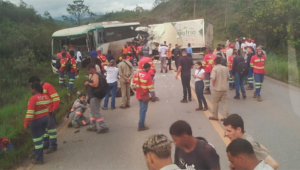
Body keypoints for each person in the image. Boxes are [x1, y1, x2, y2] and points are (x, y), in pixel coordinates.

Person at [28, 76, 60, 154]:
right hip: (43, 113)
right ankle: (47, 143)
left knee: (51, 130)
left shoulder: (47, 86)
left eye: (31, 84)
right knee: (45, 130)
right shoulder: (38, 89)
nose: (31, 87)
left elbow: (56, 98)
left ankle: (53, 145)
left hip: (49, 111)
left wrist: (55, 108)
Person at [23, 82, 51, 164]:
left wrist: (25, 123)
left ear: (34, 89)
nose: (30, 90)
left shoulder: (33, 98)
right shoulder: (45, 96)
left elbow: (30, 113)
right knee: (41, 138)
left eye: (31, 88)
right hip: (46, 118)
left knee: (37, 140)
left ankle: (39, 159)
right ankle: (35, 153)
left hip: (36, 121)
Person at [85, 64, 109, 134]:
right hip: (93, 97)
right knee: (92, 112)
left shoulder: (95, 75)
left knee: (96, 112)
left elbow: (95, 84)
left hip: (94, 97)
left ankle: (103, 127)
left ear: (92, 68)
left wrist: (88, 83)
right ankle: (93, 126)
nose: (88, 71)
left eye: (89, 69)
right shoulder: (96, 75)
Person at [132, 63, 154, 131]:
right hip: (144, 95)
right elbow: (150, 88)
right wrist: (153, 95)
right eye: (149, 68)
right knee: (143, 110)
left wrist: (137, 90)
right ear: (147, 68)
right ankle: (141, 125)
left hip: (138, 95)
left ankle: (142, 123)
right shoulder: (148, 76)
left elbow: (132, 85)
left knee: (141, 109)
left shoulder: (136, 74)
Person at [209, 57, 229, 121]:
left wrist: (214, 86)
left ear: (215, 62)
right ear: (221, 61)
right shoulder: (226, 68)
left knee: (215, 102)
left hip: (217, 89)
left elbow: (213, 79)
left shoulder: (215, 69)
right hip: (224, 88)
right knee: (224, 102)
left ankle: (215, 116)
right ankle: (226, 117)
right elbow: (228, 78)